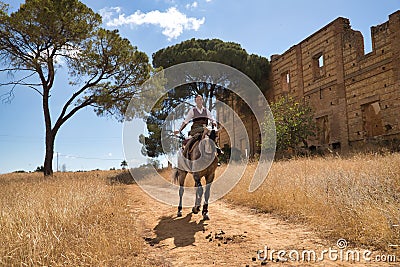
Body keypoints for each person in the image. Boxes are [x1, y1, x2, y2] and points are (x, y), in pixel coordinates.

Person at [174, 94, 222, 161]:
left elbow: (212, 118)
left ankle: (216, 151)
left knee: (212, 134)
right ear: (195, 101)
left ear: (202, 101)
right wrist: (179, 130)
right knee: (194, 138)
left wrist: (213, 122)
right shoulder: (192, 110)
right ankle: (185, 156)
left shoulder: (206, 110)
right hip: (196, 129)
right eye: (197, 100)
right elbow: (185, 122)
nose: (199, 101)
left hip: (205, 128)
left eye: (200, 99)